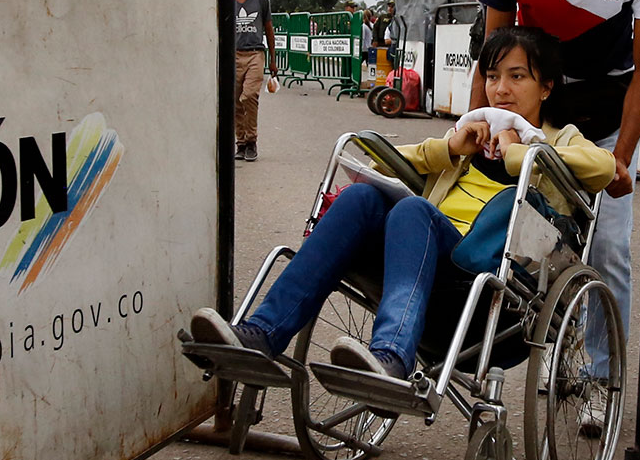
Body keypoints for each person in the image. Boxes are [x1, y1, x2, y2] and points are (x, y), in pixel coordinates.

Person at [186, 26, 612, 380]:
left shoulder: (555, 141)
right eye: (493, 75)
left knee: (413, 211)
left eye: (518, 77)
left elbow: (603, 168)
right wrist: (449, 148)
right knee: (360, 197)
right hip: (422, 265)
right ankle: (262, 334)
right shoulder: (469, 137)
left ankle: (392, 358)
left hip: (492, 294)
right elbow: (379, 161)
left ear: (547, 87)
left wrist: (519, 150)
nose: (501, 89)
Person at [473, 0, 640, 385]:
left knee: (608, 252)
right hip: (539, 122)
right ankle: (512, 361)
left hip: (602, 121)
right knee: (517, 243)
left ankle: (603, 381)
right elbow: (492, 58)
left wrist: (620, 161)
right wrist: (479, 127)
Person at [232, 0, 276, 162]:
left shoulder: (260, 1)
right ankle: (240, 143)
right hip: (232, 55)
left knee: (249, 96)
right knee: (234, 102)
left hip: (255, 54)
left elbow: (268, 30)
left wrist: (273, 60)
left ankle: (252, 141)